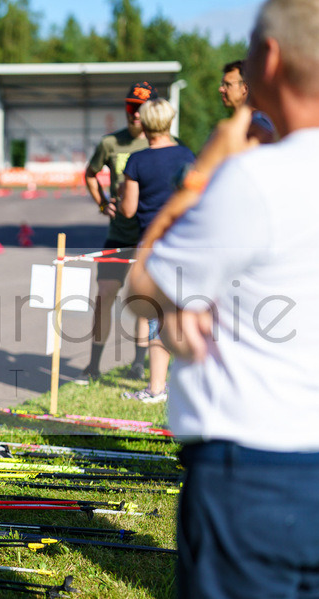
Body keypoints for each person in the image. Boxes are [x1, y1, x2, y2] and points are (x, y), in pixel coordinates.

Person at [127, 1, 319, 599]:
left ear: (271, 61)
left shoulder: (256, 179)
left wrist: (206, 170)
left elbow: (143, 285)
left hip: (254, 474)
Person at [79, 81, 157, 383]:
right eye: (130, 107)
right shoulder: (111, 143)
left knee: (142, 299)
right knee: (105, 295)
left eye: (140, 108)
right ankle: (93, 364)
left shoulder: (159, 143)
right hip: (118, 235)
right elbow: (89, 174)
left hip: (147, 237)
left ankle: (139, 363)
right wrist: (102, 203)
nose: (134, 113)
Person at [118, 98, 194, 404]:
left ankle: (156, 388)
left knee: (155, 317)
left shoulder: (137, 161)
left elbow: (128, 209)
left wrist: (120, 195)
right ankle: (183, 382)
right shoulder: (187, 154)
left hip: (153, 246)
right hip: (186, 241)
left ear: (145, 123)